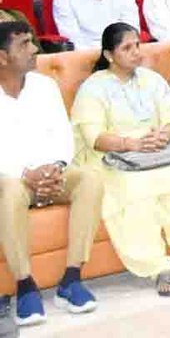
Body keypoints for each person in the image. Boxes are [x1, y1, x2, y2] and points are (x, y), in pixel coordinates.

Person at [70, 23, 170, 295]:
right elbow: (93, 136)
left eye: (137, 45)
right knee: (134, 191)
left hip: (159, 153)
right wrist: (130, 144)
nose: (136, 52)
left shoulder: (151, 79)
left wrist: (165, 135)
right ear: (109, 55)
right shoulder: (94, 87)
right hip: (117, 158)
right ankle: (157, 267)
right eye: (127, 48)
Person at [0, 20, 104, 324]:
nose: (34, 49)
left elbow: (63, 135)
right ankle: (25, 285)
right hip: (12, 179)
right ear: (2, 57)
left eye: (32, 41)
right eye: (24, 44)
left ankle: (71, 279)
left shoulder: (44, 86)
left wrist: (55, 168)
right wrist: (25, 174)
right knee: (10, 190)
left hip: (50, 174)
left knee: (89, 179)